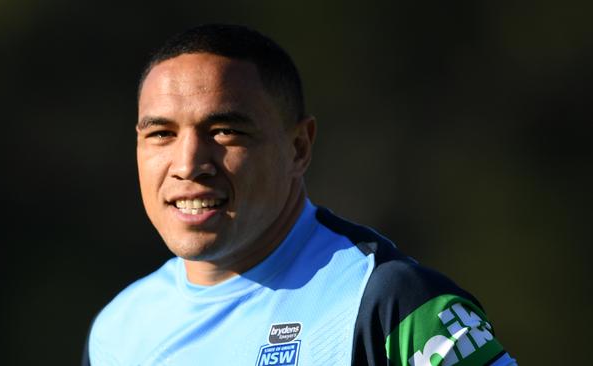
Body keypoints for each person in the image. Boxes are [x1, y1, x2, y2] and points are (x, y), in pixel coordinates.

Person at [82, 24, 516, 366]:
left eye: (225, 131)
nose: (189, 163)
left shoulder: (392, 303)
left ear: (299, 147)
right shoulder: (116, 330)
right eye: (161, 133)